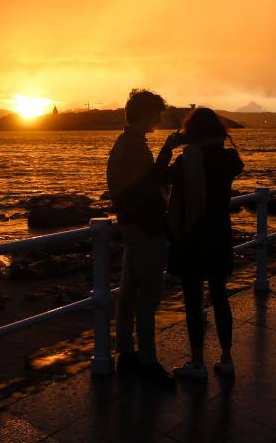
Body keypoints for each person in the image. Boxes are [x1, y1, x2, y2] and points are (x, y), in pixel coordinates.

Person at [156, 107, 243, 381]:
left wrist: (168, 147)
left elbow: (158, 176)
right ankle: (226, 358)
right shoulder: (229, 159)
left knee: (193, 300)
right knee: (220, 297)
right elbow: (235, 166)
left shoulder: (187, 161)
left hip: (191, 236)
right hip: (219, 234)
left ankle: (197, 363)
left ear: (190, 132)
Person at [107, 89, 174, 386]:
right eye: (156, 113)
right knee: (147, 295)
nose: (159, 118)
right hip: (145, 227)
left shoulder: (124, 143)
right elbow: (148, 186)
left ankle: (126, 353)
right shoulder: (134, 146)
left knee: (129, 291)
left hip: (131, 225)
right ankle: (148, 361)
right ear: (146, 114)